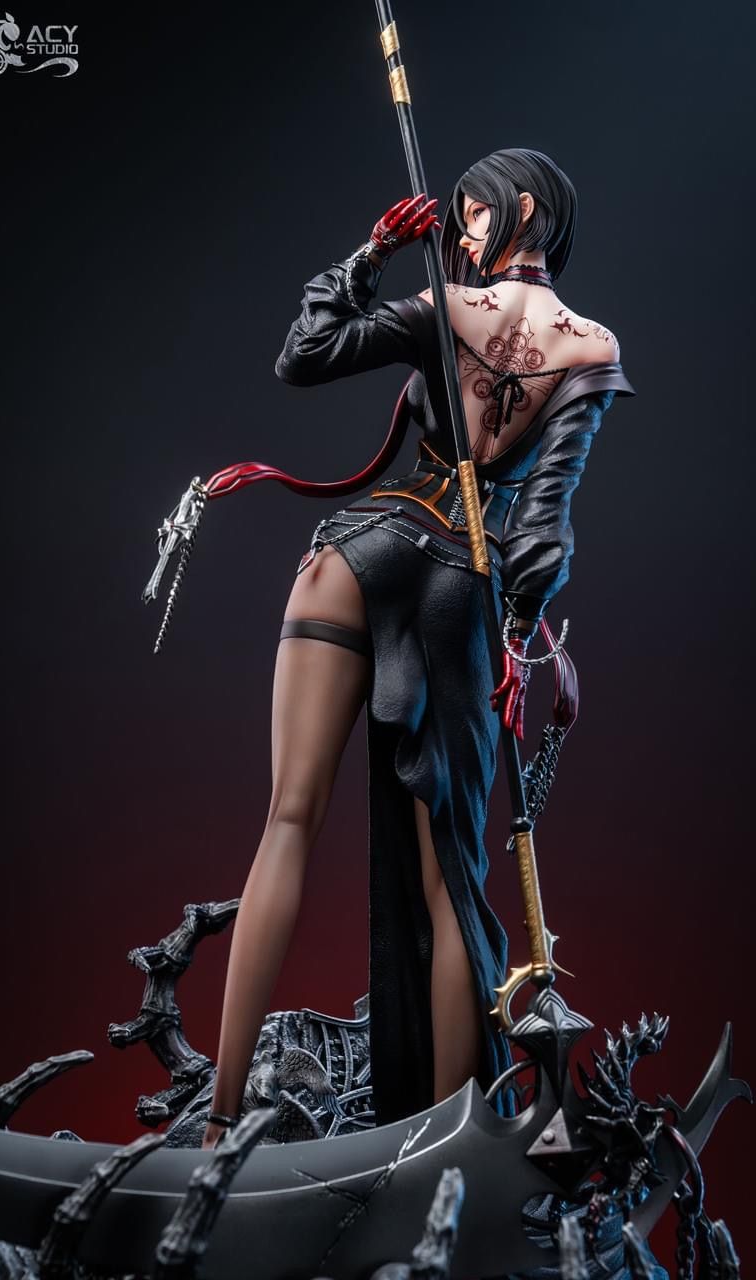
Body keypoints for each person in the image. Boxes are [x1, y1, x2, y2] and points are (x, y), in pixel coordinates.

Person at [201, 148, 635, 1150]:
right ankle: (444, 1154)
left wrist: (367, 256)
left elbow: (305, 353)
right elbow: (544, 531)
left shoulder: (447, 306)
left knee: (288, 818)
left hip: (360, 550)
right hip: (459, 579)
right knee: (451, 880)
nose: (462, 232)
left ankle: (221, 1126)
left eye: (475, 214)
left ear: (523, 208)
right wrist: (518, 637)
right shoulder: (588, 346)